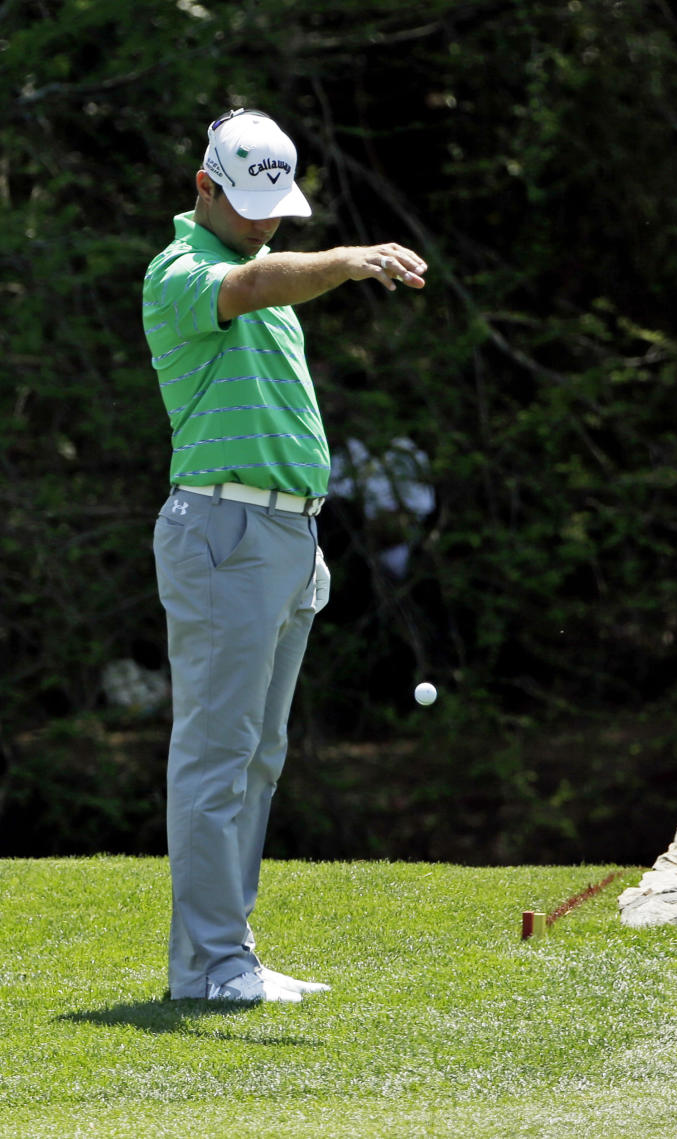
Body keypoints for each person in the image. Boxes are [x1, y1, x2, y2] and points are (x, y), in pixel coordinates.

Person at [143, 108, 428, 1003]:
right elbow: (258, 282)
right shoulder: (183, 272)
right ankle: (209, 966)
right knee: (216, 754)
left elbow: (266, 276)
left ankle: (233, 954)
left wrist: (304, 535)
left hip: (282, 534)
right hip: (222, 530)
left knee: (260, 755)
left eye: (277, 208)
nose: (266, 222)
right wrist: (341, 261)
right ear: (204, 187)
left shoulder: (259, 271)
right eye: (249, 203)